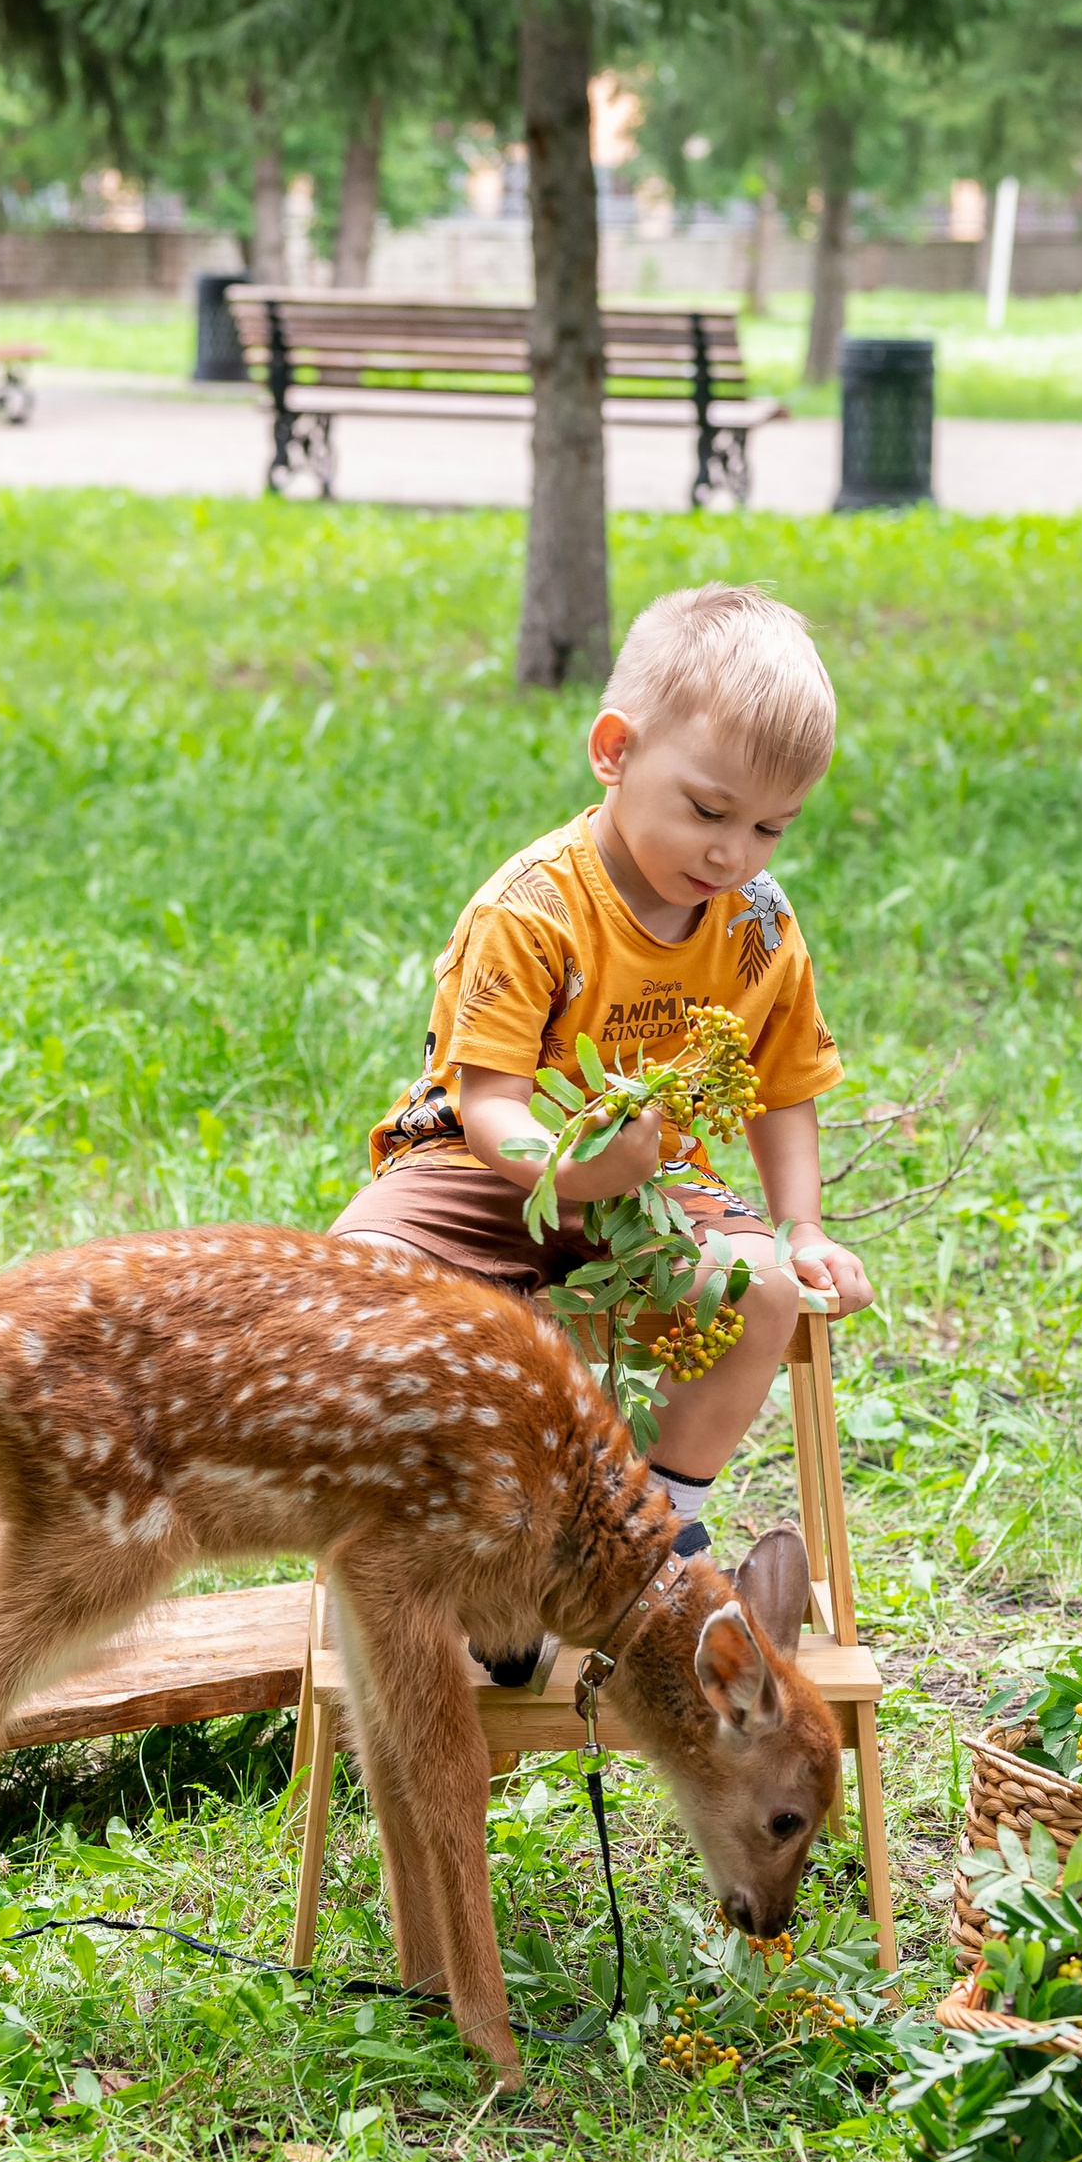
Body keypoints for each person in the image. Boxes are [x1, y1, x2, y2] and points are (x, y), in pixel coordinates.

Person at [329, 582, 872, 1591]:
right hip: (481, 1167)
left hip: (654, 1185)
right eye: (710, 810)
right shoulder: (533, 906)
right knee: (356, 1273)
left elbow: (783, 1084)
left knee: (759, 1298)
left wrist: (801, 1227)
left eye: (771, 828)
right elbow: (490, 1103)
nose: (732, 852)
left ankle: (650, 1535)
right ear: (613, 750)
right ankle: (452, 1548)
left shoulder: (756, 923)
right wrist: (569, 1170)